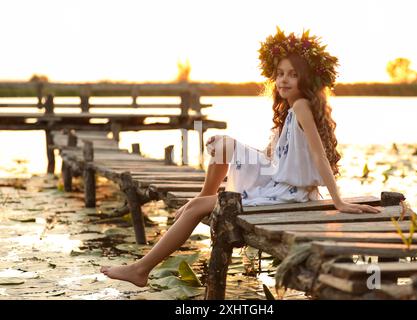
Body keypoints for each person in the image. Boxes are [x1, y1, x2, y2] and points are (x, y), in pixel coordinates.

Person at [100, 27, 380, 287]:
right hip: (279, 184)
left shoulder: (302, 106)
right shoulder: (294, 109)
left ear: (306, 79)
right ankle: (199, 201)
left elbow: (319, 156)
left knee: (199, 207)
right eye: (280, 73)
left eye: (292, 74)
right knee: (222, 149)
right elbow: (277, 159)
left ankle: (141, 269)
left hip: (287, 195)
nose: (283, 79)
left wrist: (338, 201)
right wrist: (234, 149)